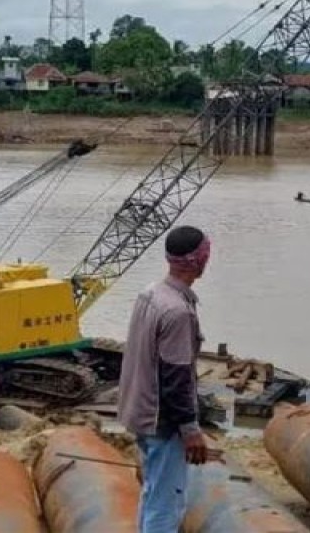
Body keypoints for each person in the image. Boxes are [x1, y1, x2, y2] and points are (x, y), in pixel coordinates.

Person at [118, 225, 212, 532]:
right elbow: (176, 377)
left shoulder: (150, 293)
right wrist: (191, 430)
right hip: (163, 420)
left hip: (139, 412)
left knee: (153, 490)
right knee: (167, 504)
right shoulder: (177, 312)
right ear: (198, 260)